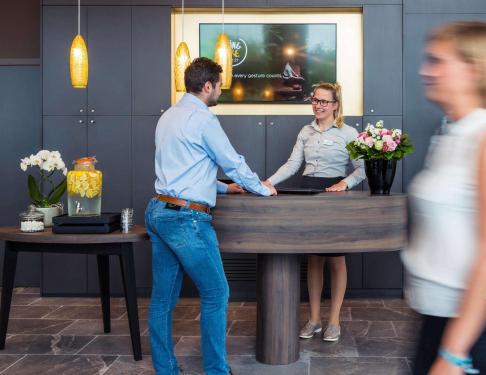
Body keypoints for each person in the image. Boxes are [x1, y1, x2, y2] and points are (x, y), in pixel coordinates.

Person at [145, 57, 277, 375]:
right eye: (219, 85)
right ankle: (216, 371)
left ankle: (166, 370)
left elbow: (184, 170)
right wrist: (261, 188)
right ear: (208, 86)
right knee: (217, 292)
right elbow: (232, 161)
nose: (220, 91)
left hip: (159, 211)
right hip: (186, 219)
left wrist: (223, 189)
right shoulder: (203, 119)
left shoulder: (168, 117)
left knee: (162, 300)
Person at [401, 21, 486, 375]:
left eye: (437, 61)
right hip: (435, 317)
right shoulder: (449, 134)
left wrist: (455, 354)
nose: (425, 70)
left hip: (474, 331)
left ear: (474, 69)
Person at [265, 82, 365, 342]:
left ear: (335, 105)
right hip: (307, 192)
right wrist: (268, 183)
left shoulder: (348, 132)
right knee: (313, 259)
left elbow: (362, 169)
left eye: (324, 101)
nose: (318, 105)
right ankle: (314, 319)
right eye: (315, 100)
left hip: (334, 195)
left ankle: (334, 321)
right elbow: (292, 164)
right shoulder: (305, 131)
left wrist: (345, 183)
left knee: (336, 260)